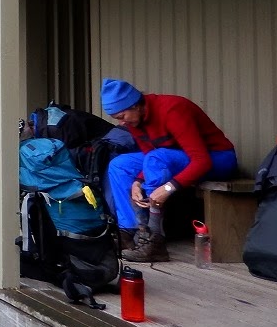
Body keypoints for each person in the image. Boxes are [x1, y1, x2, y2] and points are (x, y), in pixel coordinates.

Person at [100, 78, 237, 263]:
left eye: (122, 116)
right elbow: (149, 153)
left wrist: (168, 188)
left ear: (135, 105)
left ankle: (154, 238)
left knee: (157, 158)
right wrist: (137, 182)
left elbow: (201, 160)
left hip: (218, 158)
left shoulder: (172, 110)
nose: (121, 123)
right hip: (177, 157)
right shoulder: (135, 122)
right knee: (120, 165)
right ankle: (129, 232)